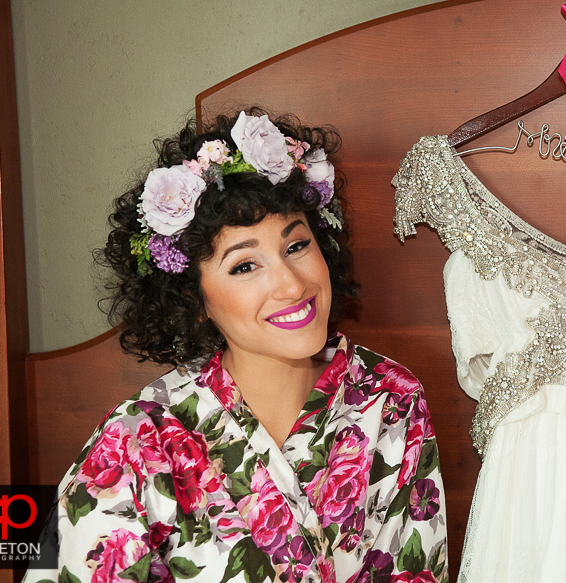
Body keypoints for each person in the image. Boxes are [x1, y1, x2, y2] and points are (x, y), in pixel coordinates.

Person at [24, 108, 448, 583]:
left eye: (296, 246)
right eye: (245, 266)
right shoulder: (135, 445)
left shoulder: (390, 397)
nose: (291, 285)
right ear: (194, 297)